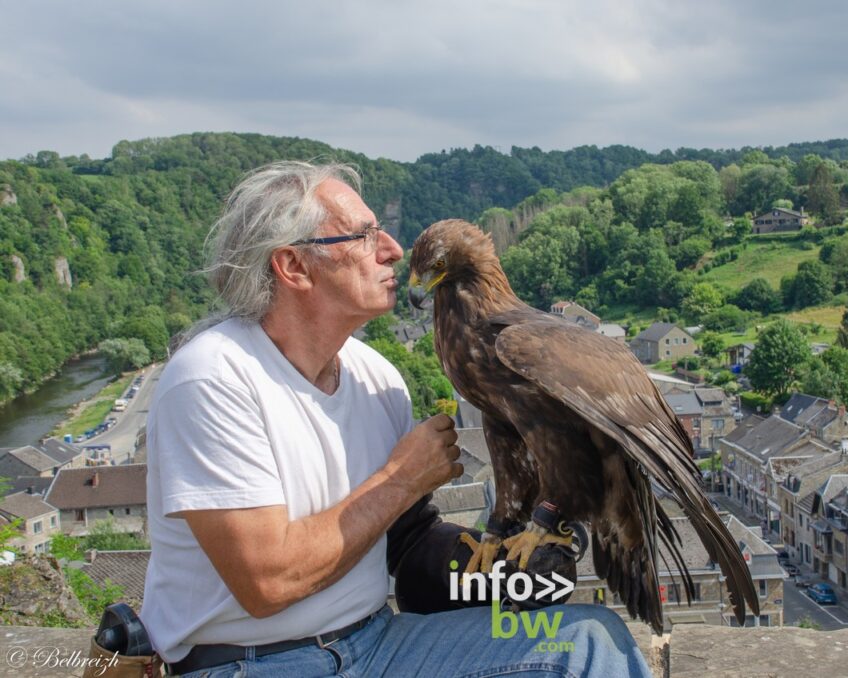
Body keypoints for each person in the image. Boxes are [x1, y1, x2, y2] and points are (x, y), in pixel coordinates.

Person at [140, 161, 652, 677]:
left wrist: (496, 568)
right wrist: (402, 478)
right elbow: (267, 584)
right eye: (363, 236)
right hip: (251, 662)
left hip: (375, 641)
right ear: (294, 266)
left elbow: (403, 550)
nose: (392, 249)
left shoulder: (375, 377)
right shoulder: (214, 379)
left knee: (588, 640)